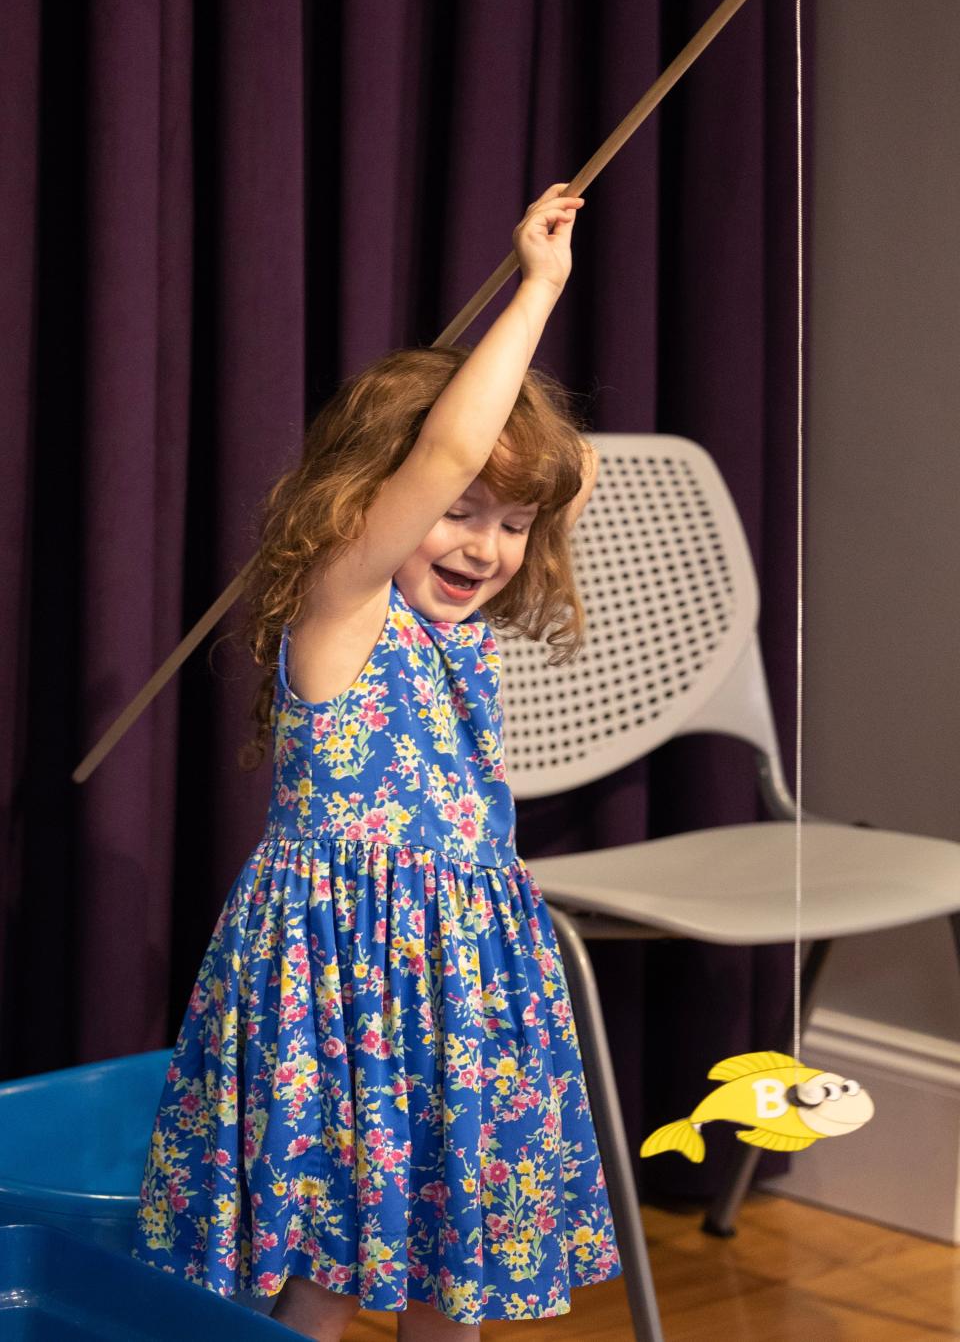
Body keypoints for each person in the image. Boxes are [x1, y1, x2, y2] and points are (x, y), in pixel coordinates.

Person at [132, 184, 621, 1339]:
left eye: (514, 525)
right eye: (460, 511)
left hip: (461, 984)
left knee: (449, 1268)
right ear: (375, 501)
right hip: (346, 978)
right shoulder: (341, 611)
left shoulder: (459, 639)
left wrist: (524, 463)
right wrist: (538, 287)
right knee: (322, 1266)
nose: (487, 547)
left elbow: (560, 473)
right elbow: (451, 440)